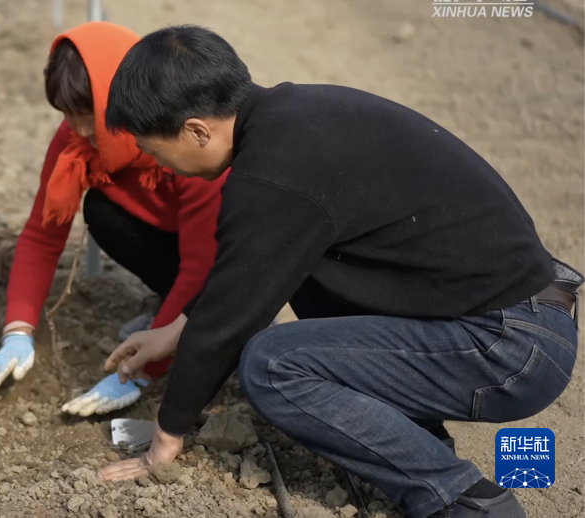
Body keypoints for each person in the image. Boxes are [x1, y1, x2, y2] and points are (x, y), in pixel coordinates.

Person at [96, 25, 579, 518]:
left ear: (197, 130)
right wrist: (177, 329)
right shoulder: (292, 122)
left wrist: (166, 435)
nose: (162, 166)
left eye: (155, 151)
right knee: (312, 286)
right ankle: (416, 438)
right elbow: (246, 275)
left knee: (272, 364)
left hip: (509, 348)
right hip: (516, 321)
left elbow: (231, 318)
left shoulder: (274, 175)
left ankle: (463, 500)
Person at [0, 21, 228, 417]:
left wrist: (142, 369)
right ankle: (164, 307)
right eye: (68, 113)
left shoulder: (186, 146)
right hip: (169, 241)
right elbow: (41, 237)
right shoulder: (76, 140)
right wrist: (17, 331)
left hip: (221, 259)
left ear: (121, 97)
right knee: (102, 212)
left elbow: (199, 267)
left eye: (89, 112)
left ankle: (207, 329)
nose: (78, 128)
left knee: (216, 313)